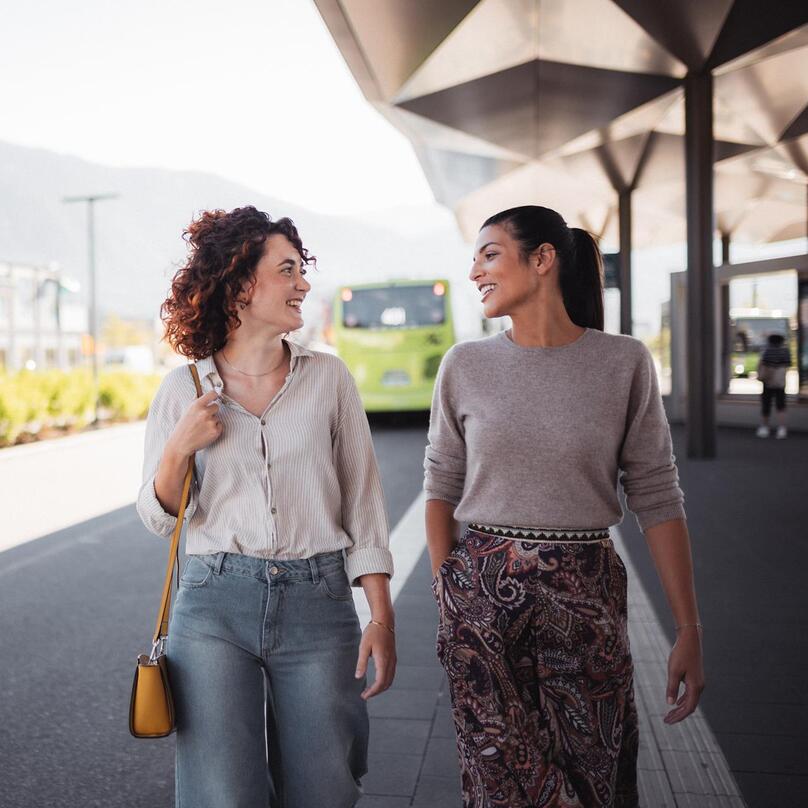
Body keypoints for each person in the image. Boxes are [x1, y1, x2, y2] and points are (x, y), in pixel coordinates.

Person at [424, 206, 705, 808]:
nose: (474, 270)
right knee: (499, 780)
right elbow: (441, 484)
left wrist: (688, 628)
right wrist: (446, 591)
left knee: (594, 772)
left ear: (543, 259)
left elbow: (656, 493)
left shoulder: (623, 362)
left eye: (489, 253)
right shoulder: (465, 365)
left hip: (588, 595)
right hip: (480, 600)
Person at [136, 206, 396, 808]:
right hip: (212, 603)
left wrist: (381, 616)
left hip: (318, 600)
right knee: (222, 792)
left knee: (327, 785)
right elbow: (159, 517)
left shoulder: (329, 378)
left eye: (301, 270)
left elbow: (363, 502)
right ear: (240, 281)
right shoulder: (184, 390)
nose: (303, 283)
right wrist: (179, 448)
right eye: (288, 270)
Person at [756, 332, 791, 439]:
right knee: (781, 406)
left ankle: (765, 428)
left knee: (766, 405)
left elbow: (762, 364)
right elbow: (788, 364)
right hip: (780, 383)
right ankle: (782, 429)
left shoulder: (766, 351)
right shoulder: (785, 351)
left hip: (768, 382)